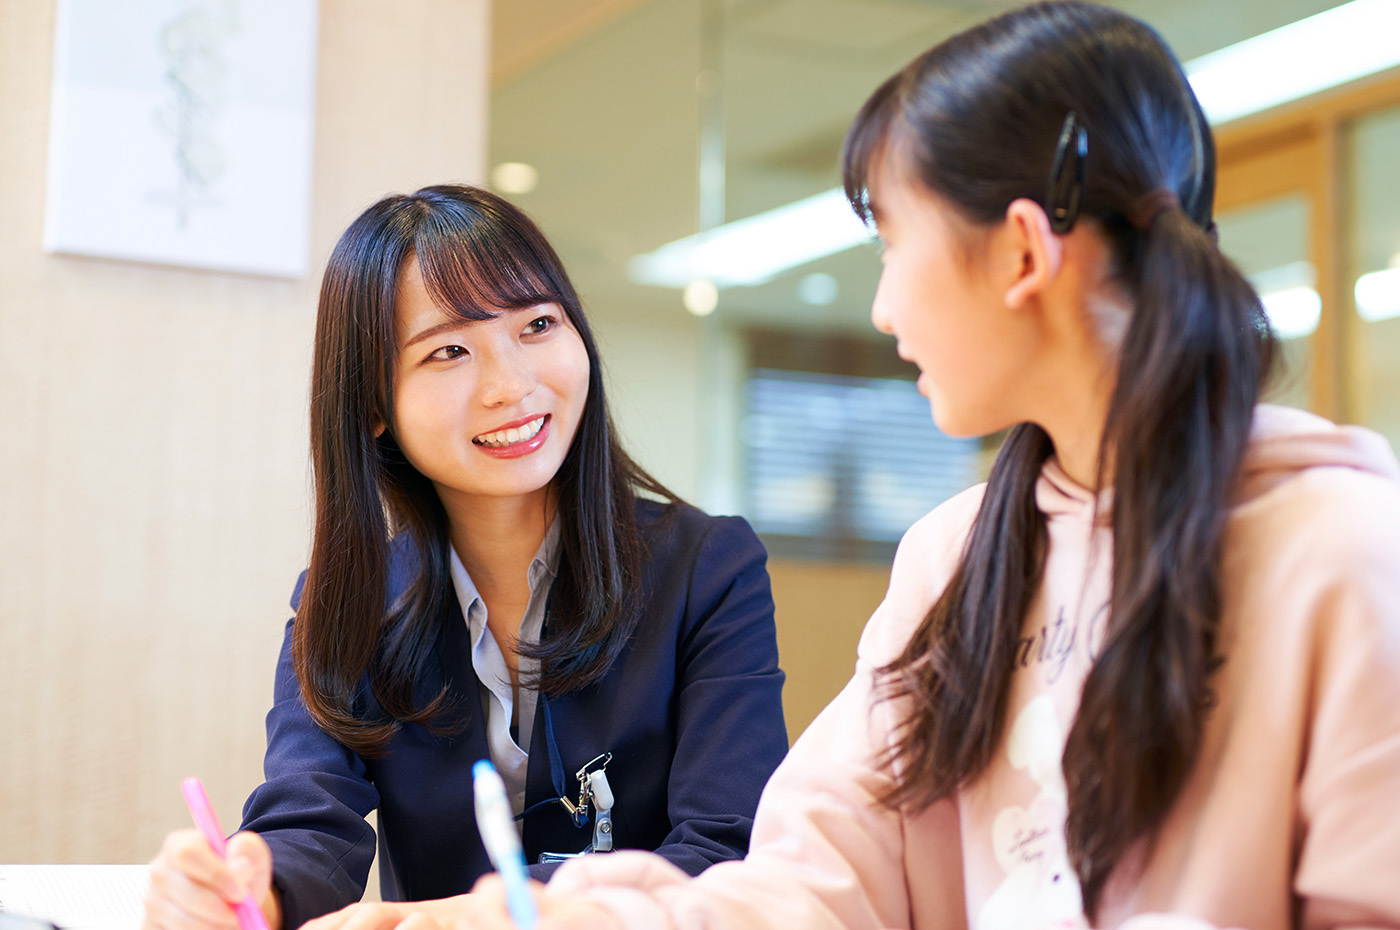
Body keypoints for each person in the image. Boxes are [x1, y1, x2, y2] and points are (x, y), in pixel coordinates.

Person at [362, 3, 1400, 929]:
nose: (880, 307)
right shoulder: (951, 560)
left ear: (1022, 254)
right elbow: (808, 886)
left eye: (890, 243)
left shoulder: (1340, 552)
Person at [140, 184, 789, 930]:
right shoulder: (347, 601)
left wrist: (483, 920)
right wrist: (254, 884)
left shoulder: (707, 568)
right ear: (374, 404)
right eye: (449, 350)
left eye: (538, 324)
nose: (512, 385)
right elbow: (309, 829)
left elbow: (729, 847)